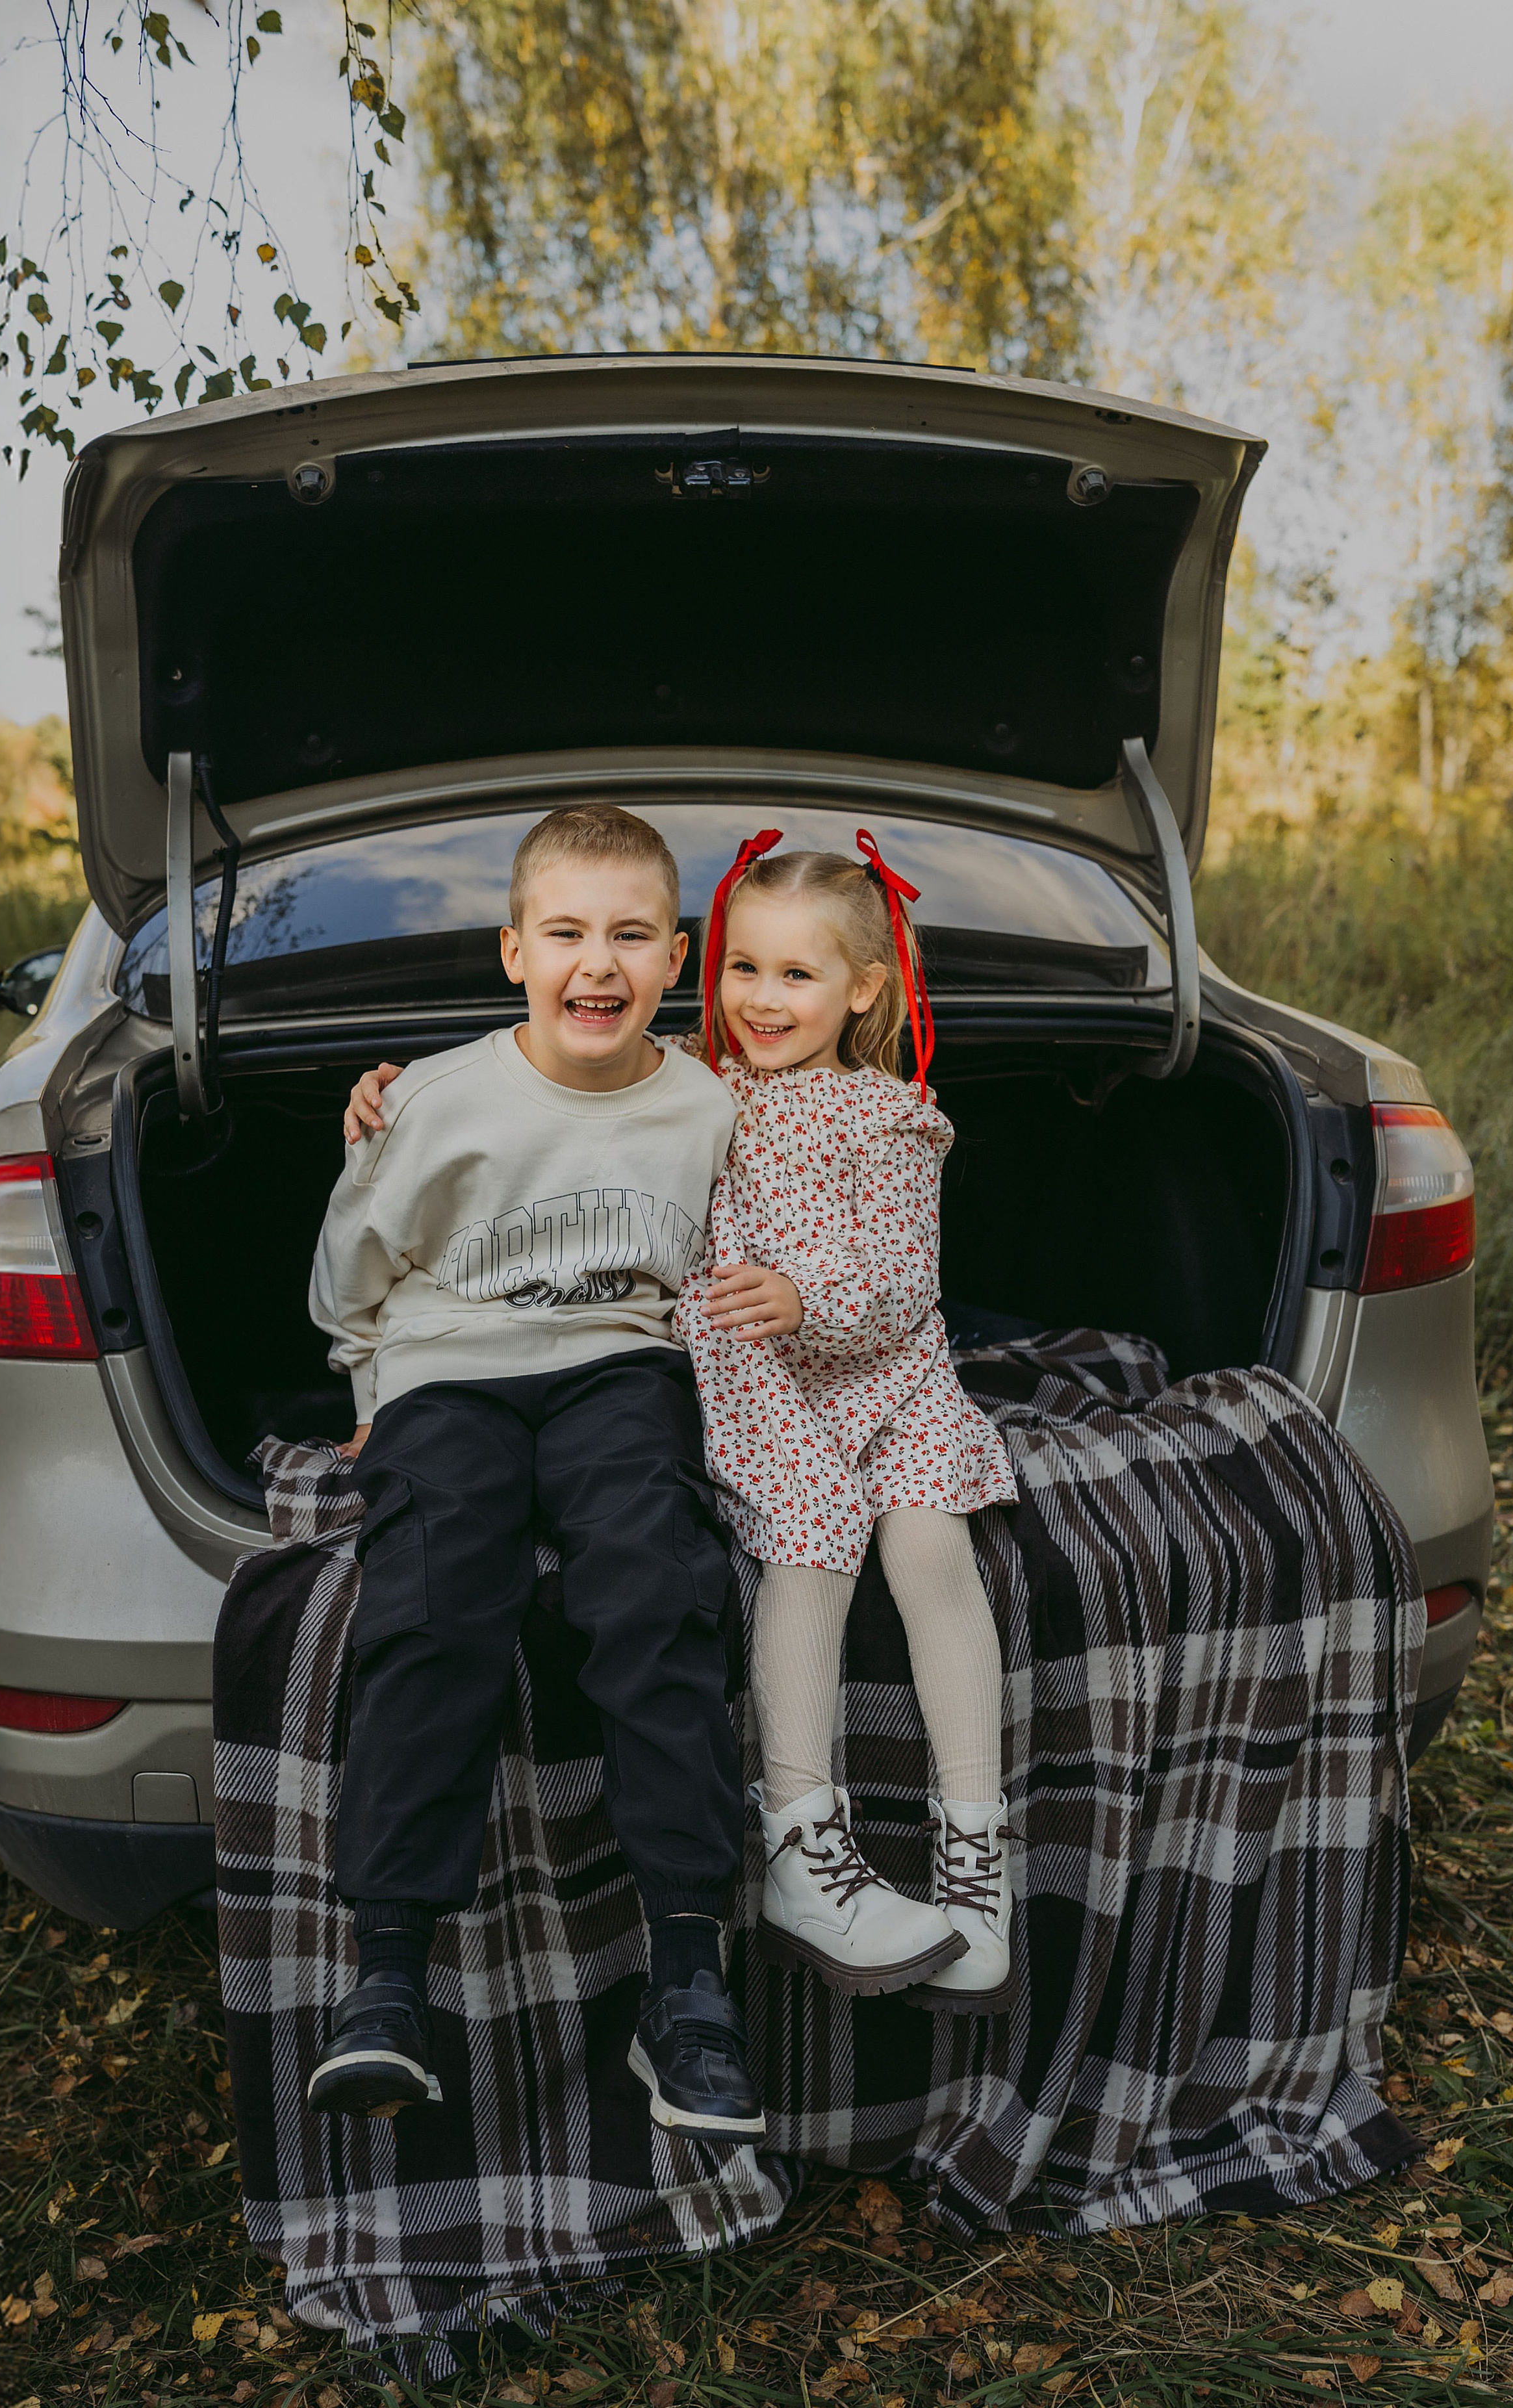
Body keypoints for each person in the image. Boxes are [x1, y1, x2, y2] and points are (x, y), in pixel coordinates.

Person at [346, 826, 1021, 2016]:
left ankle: (978, 1852)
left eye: (798, 975)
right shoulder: (696, 1082)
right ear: (704, 971)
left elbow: (907, 1280)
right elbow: (549, 1084)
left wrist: (813, 1301)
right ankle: (802, 1829)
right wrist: (388, 1097)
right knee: (811, 1546)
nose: (762, 999)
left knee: (931, 1547)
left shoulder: (890, 1117)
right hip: (760, 1381)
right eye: (745, 970)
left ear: (865, 989)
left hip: (887, 1367)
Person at [305, 802, 763, 2141]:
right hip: (448, 1366)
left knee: (654, 1586)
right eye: (564, 933)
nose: (596, 965)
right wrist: (368, 1391)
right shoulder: (437, 1098)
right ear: (513, 951)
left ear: (674, 960)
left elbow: (828, 1136)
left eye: (629, 936)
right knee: (438, 1596)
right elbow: (354, 1265)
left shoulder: (709, 1102)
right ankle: (386, 1978)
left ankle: (686, 1982)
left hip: (621, 1364)